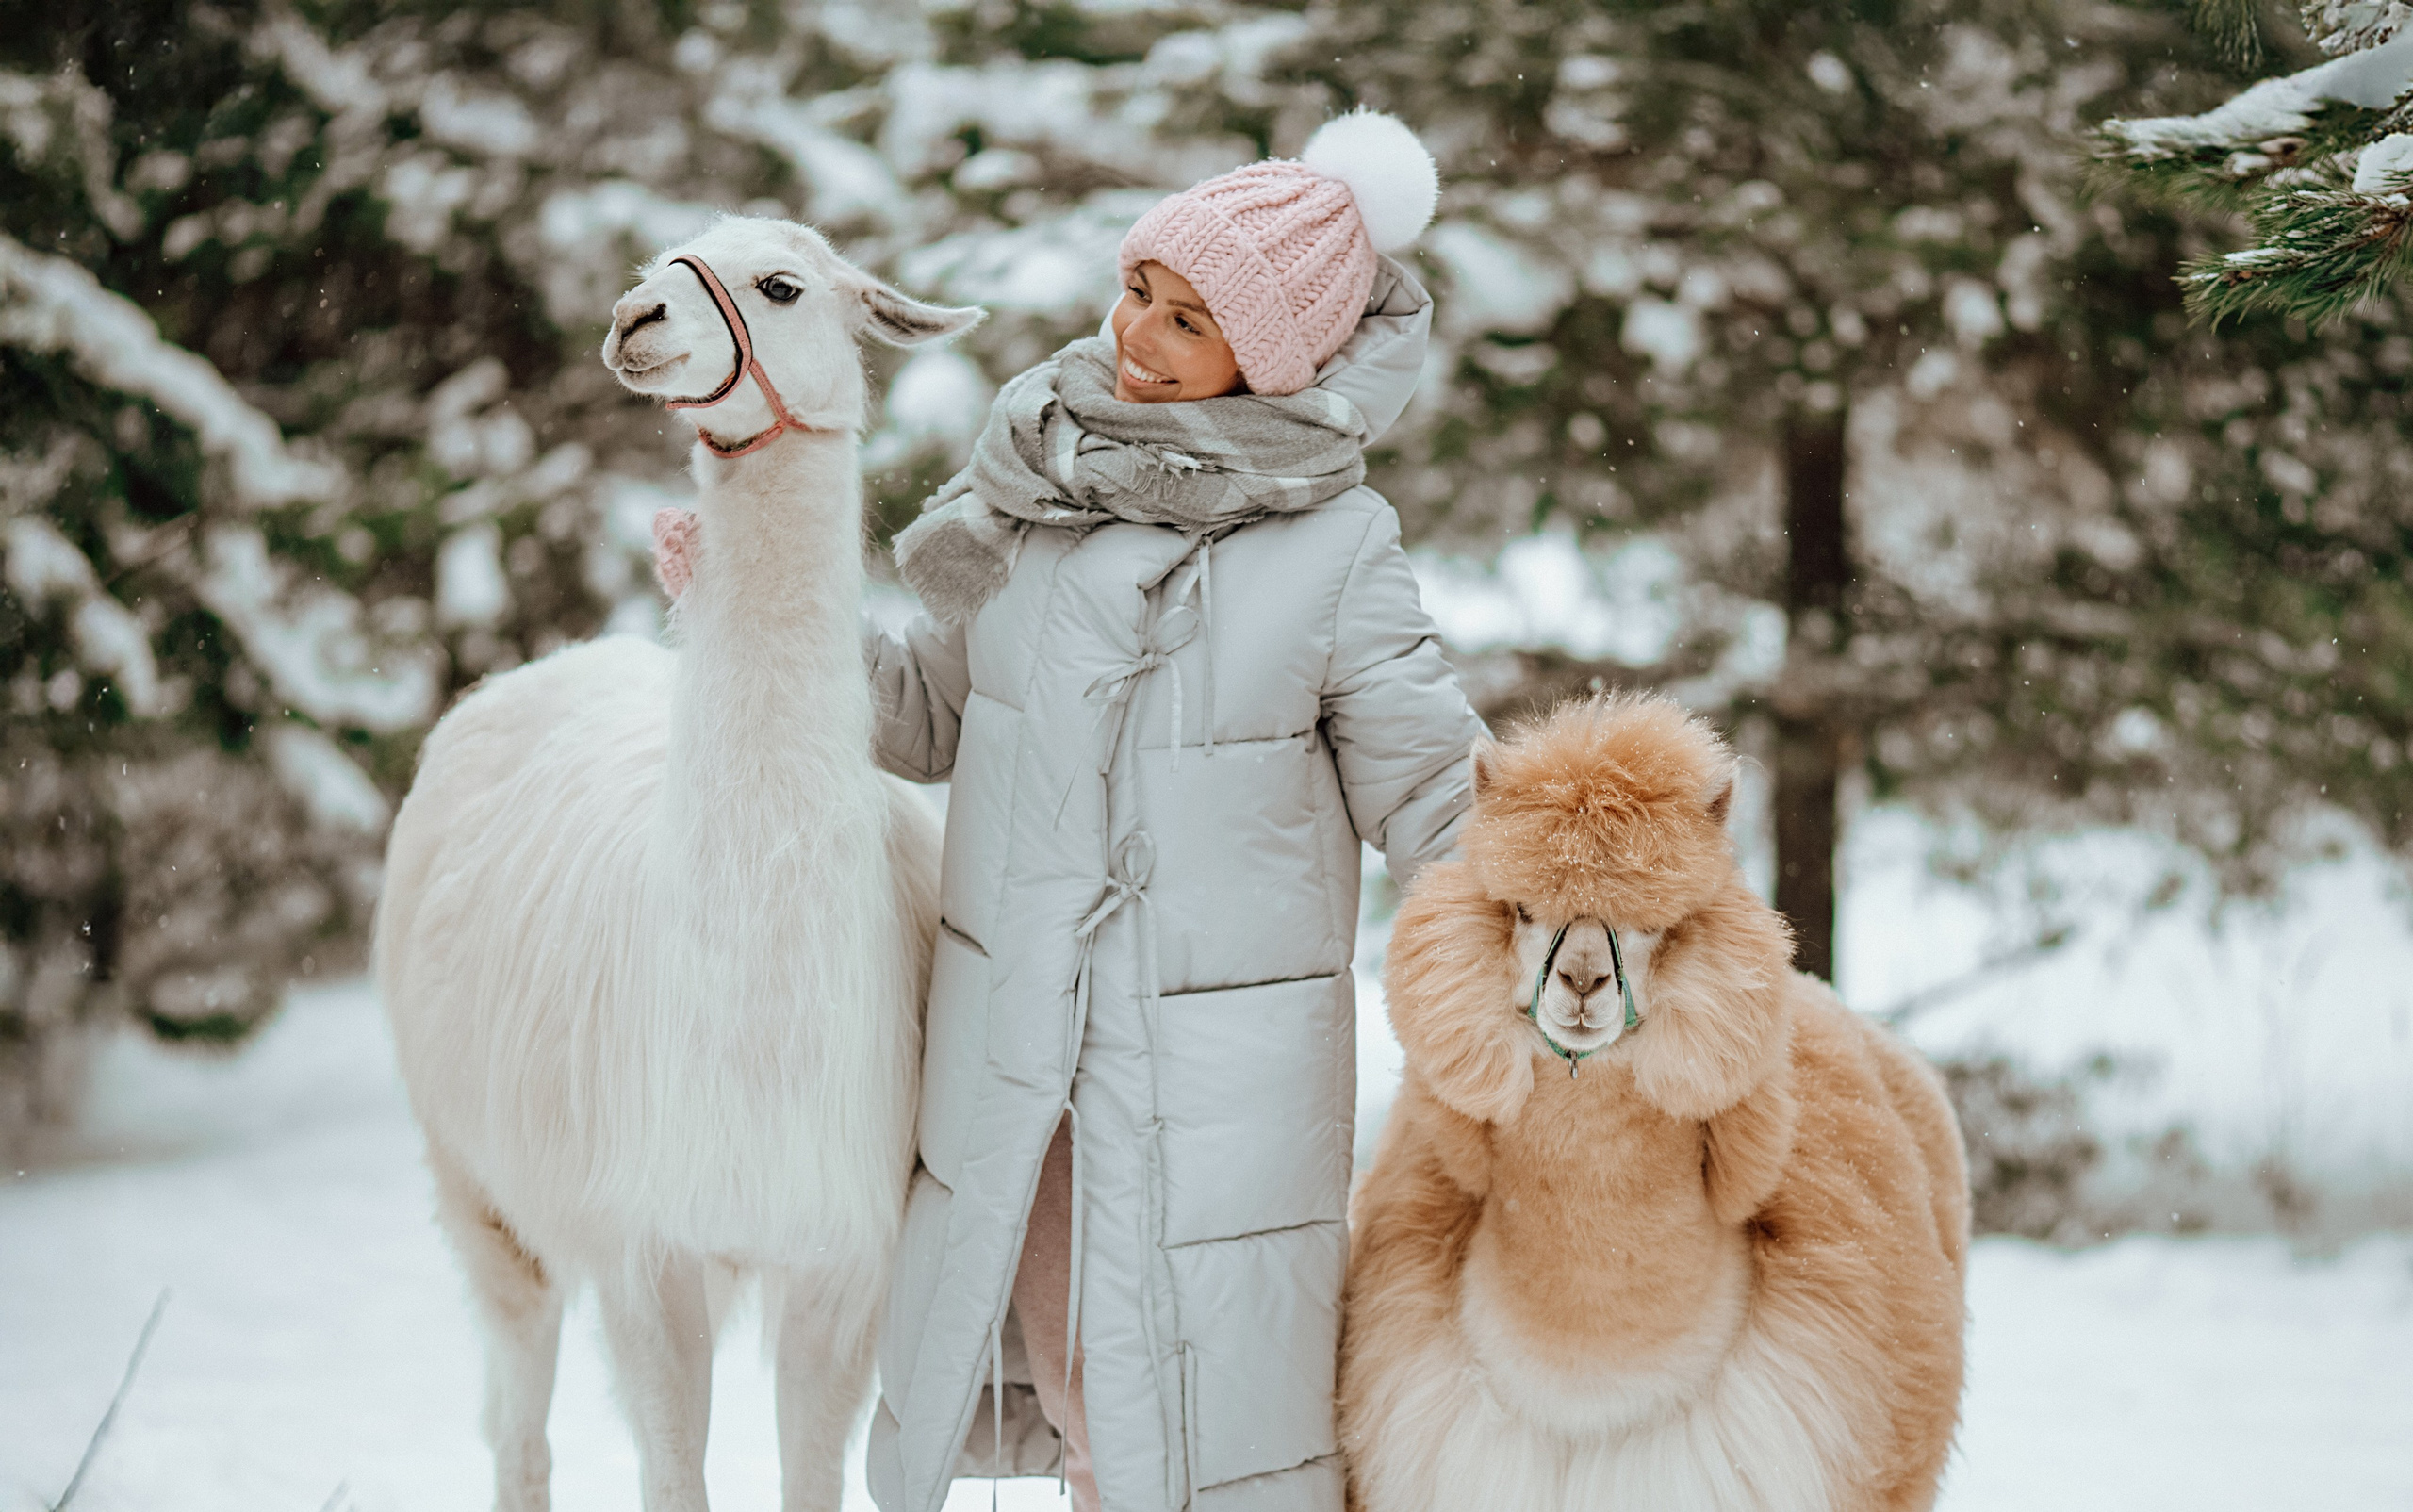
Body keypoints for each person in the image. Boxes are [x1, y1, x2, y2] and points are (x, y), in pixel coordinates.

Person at [745, 110, 1481, 1512]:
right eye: (1140, 287)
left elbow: (1435, 792)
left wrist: (1583, 897)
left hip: (1215, 1087)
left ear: (1270, 362)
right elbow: (922, 717)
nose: (1139, 333)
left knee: (1189, 1432)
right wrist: (767, 598)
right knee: (1080, 1397)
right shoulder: (1027, 492)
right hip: (1024, 1062)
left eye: (1191, 321)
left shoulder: (1335, 550)